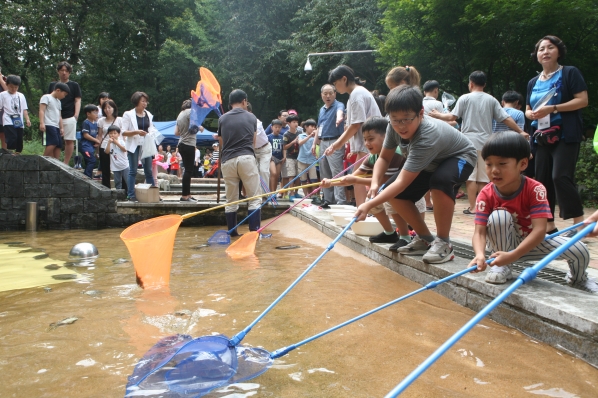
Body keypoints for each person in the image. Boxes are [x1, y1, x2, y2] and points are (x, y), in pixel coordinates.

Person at [356, 85, 477, 264]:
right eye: (395, 119)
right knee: (393, 193)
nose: (400, 126)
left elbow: (403, 181)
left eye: (406, 119)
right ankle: (425, 239)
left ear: (421, 114)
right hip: (432, 162)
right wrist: (375, 183)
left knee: (440, 182)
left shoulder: (427, 134)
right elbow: (383, 157)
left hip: (460, 157)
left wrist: (369, 205)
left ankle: (444, 243)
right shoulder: (392, 128)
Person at [469, 132, 596, 292]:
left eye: (502, 164)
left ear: (522, 164)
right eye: (489, 164)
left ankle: (578, 279)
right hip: (503, 248)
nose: (494, 170)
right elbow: (479, 233)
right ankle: (503, 267)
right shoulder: (485, 194)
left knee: (579, 249)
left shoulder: (535, 189)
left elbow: (540, 231)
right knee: (498, 217)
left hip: (534, 244)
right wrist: (479, 254)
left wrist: (514, 255)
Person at [429, 71, 527, 215]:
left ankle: (473, 207)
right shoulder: (491, 100)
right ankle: (484, 206)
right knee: (483, 177)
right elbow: (505, 118)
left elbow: (452, 116)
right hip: (486, 143)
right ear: (484, 84)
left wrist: (437, 115)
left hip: (467, 143)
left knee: (471, 177)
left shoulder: (465, 98)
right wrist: (520, 131)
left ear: (471, 83)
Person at [525, 35, 588, 236]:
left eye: (550, 47)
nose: (545, 51)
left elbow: (582, 100)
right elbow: (527, 108)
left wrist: (553, 108)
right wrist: (531, 114)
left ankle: (579, 224)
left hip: (565, 135)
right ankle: (549, 225)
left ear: (558, 51)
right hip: (542, 136)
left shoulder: (569, 73)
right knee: (542, 180)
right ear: (536, 55)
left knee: (560, 176)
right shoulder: (533, 82)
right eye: (541, 49)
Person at [322, 116, 414, 248]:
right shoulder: (373, 157)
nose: (367, 143)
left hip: (406, 191)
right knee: (371, 202)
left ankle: (405, 236)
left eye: (371, 139)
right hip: (390, 188)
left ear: (387, 137)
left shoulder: (396, 153)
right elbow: (351, 178)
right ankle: (390, 233)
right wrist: (330, 182)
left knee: (390, 201)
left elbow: (387, 182)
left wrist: (355, 180)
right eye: (365, 139)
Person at [324, 65, 382, 206]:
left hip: (369, 144)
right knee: (364, 178)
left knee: (356, 179)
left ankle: (361, 212)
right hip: (369, 144)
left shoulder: (356, 95)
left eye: (335, 83)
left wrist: (336, 144)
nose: (335, 87)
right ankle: (364, 211)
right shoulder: (355, 95)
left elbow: (356, 125)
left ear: (344, 79)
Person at [218, 89, 261, 235]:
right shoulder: (251, 117)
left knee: (231, 200)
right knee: (254, 198)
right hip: (246, 158)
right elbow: (253, 142)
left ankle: (232, 233)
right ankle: (254, 233)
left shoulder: (222, 119)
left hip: (227, 160)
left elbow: (222, 141)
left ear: (230, 103)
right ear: (244, 101)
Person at [313, 84, 346, 206]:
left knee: (336, 172)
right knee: (324, 172)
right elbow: (318, 127)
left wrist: (339, 118)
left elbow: (340, 112)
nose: (328, 96)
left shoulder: (339, 105)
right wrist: (314, 143)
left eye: (330, 93)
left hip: (335, 141)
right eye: (325, 93)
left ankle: (340, 201)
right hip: (322, 142)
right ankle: (328, 199)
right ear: (321, 95)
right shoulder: (322, 109)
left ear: (335, 94)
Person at [122, 91, 157, 202]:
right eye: (143, 101)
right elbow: (123, 132)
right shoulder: (128, 114)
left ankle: (153, 195)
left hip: (146, 144)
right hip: (134, 144)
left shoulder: (148, 114)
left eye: (146, 101)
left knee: (148, 171)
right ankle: (131, 194)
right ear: (136, 101)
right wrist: (136, 132)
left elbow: (151, 128)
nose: (145, 103)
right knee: (133, 170)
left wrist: (150, 133)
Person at [48, 61, 81, 166]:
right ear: (58, 71)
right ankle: (54, 162)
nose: (64, 73)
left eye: (66, 71)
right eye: (62, 70)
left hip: (69, 116)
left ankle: (65, 163)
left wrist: (76, 115)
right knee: (55, 141)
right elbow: (49, 99)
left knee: (69, 140)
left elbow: (77, 100)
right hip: (54, 117)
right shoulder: (53, 85)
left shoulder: (74, 85)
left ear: (69, 72)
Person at [175, 99, 199, 202]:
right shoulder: (191, 112)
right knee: (188, 170)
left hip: (181, 144)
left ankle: (188, 194)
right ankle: (185, 195)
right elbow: (194, 127)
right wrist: (200, 127)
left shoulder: (180, 114)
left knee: (187, 170)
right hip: (189, 144)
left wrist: (184, 132)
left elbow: (176, 132)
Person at [0, 75, 31, 154]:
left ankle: (17, 153)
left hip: (18, 120)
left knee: (19, 138)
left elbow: (24, 108)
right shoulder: (3, 95)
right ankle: (10, 152)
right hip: (8, 119)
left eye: (15, 87)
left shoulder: (21, 95)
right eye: (11, 87)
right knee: (12, 136)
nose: (13, 89)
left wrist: (27, 119)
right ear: (6, 84)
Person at [39, 82, 69, 159]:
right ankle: (43, 159)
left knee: (59, 144)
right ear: (58, 90)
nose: (64, 97)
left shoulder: (58, 101)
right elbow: (42, 110)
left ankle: (56, 162)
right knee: (53, 142)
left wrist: (61, 127)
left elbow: (59, 115)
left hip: (56, 125)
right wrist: (42, 123)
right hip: (48, 124)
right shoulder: (46, 97)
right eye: (64, 94)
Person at [97, 100, 123, 188]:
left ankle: (122, 189)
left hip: (117, 147)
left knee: (120, 167)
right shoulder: (101, 121)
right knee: (105, 169)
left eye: (109, 107)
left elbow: (123, 135)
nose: (107, 110)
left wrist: (123, 146)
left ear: (114, 108)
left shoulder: (120, 120)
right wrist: (98, 148)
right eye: (105, 108)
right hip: (105, 146)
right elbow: (100, 135)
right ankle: (106, 188)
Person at [247, 102, 271, 193]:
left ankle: (265, 194)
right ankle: (256, 193)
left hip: (264, 149)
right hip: (253, 151)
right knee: (254, 173)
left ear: (250, 112)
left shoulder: (257, 122)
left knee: (264, 171)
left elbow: (253, 137)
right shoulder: (241, 122)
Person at [282, 114, 302, 199]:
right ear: (289, 123)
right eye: (294, 122)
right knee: (291, 175)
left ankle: (296, 192)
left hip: (299, 157)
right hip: (290, 157)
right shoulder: (286, 134)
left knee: (298, 176)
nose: (296, 124)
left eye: (297, 122)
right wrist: (293, 142)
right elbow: (284, 147)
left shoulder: (300, 133)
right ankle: (291, 193)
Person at [297, 118, 318, 197]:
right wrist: (310, 136)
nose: (313, 128)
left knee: (314, 178)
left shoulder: (316, 137)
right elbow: (300, 143)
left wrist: (316, 135)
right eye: (311, 126)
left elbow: (319, 142)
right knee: (303, 179)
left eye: (314, 127)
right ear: (306, 127)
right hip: (302, 159)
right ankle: (306, 195)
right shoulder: (300, 135)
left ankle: (314, 195)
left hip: (312, 160)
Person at [104, 125, 129, 190]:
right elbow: (107, 152)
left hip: (124, 165)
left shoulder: (121, 141)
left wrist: (116, 143)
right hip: (115, 166)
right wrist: (109, 143)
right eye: (111, 133)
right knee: (117, 182)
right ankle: (119, 194)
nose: (113, 135)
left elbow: (124, 149)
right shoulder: (108, 143)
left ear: (118, 134)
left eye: (115, 133)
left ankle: (131, 194)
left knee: (127, 180)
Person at [80, 104, 100, 179]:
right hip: (85, 147)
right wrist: (96, 140)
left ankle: (87, 176)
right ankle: (87, 176)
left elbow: (96, 135)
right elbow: (86, 135)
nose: (97, 115)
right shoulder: (86, 123)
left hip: (91, 147)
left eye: (97, 113)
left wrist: (96, 143)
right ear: (88, 114)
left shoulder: (95, 123)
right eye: (94, 112)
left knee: (89, 162)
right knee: (92, 161)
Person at [268, 119, 284, 193]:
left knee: (277, 176)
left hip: (279, 158)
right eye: (276, 127)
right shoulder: (268, 137)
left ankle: (274, 192)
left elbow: (284, 147)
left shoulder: (282, 137)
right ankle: (270, 192)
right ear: (272, 127)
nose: (277, 129)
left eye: (279, 127)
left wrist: (284, 156)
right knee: (273, 173)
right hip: (272, 158)